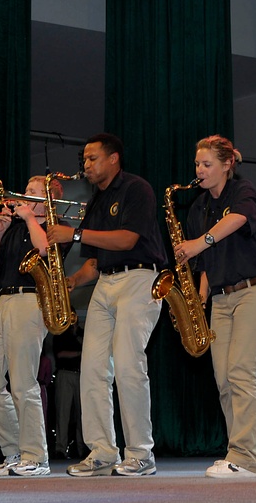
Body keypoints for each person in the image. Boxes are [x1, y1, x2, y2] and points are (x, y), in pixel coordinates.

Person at [47, 133, 167, 478]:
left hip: (139, 279)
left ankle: (141, 453)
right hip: (106, 283)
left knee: (129, 365)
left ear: (113, 158)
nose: (86, 165)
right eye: (84, 160)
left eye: (92, 158)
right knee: (94, 370)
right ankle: (102, 451)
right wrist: (69, 283)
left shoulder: (136, 189)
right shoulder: (96, 203)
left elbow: (128, 239)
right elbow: (95, 262)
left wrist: (76, 234)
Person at [173, 135, 256, 478]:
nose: (199, 170)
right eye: (197, 164)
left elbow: (237, 221)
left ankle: (246, 457)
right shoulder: (197, 208)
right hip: (219, 297)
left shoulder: (242, 190)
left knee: (241, 371)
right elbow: (205, 263)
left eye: (206, 164)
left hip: (254, 292)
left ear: (226, 165)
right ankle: (236, 452)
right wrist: (199, 296)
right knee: (223, 379)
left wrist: (198, 243)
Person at [0, 175, 66, 477]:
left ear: (47, 200)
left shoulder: (52, 227)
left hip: (31, 301)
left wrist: (30, 218)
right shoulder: (14, 228)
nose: (22, 196)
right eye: (25, 192)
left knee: (22, 382)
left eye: (31, 193)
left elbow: (44, 251)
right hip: (3, 300)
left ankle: (36, 456)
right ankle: (14, 451)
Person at [52, 323, 85, 459]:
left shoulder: (82, 333)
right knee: (63, 412)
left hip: (80, 375)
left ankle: (82, 448)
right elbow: (60, 354)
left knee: (82, 414)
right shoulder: (60, 333)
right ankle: (60, 448)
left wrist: (77, 333)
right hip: (65, 373)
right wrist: (79, 353)